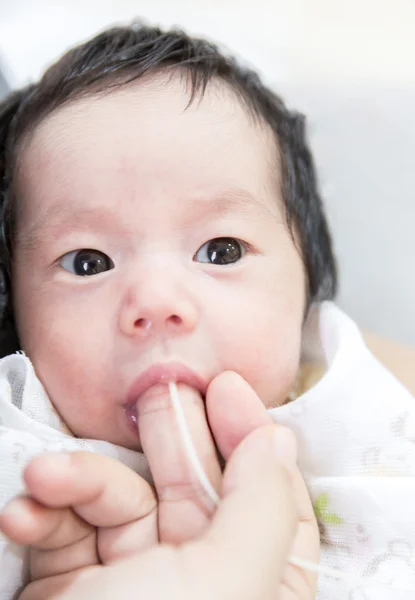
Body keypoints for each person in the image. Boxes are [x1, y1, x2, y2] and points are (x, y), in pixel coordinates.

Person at [0, 22, 414, 600]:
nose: (157, 303)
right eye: (88, 262)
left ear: (306, 295)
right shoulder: (22, 463)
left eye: (220, 252)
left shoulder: (360, 403)